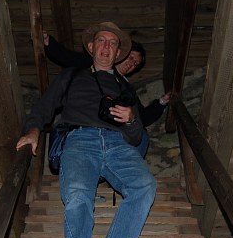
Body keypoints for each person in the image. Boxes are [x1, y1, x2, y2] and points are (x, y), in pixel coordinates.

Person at [17, 22, 157, 238]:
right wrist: (33, 130)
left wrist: (131, 120)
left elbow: (136, 136)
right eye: (102, 41)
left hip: (118, 144)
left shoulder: (125, 87)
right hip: (80, 139)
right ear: (91, 47)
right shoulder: (72, 75)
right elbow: (46, 104)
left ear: (117, 52)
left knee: (144, 185)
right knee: (79, 193)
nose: (107, 46)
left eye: (113, 43)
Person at [43, 31, 171, 157]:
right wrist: (49, 42)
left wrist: (162, 102)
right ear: (120, 53)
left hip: (117, 137)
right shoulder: (95, 65)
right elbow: (68, 57)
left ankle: (124, 163)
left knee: (142, 134)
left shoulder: (127, 88)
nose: (132, 64)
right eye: (131, 58)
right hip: (86, 132)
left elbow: (142, 117)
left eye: (136, 64)